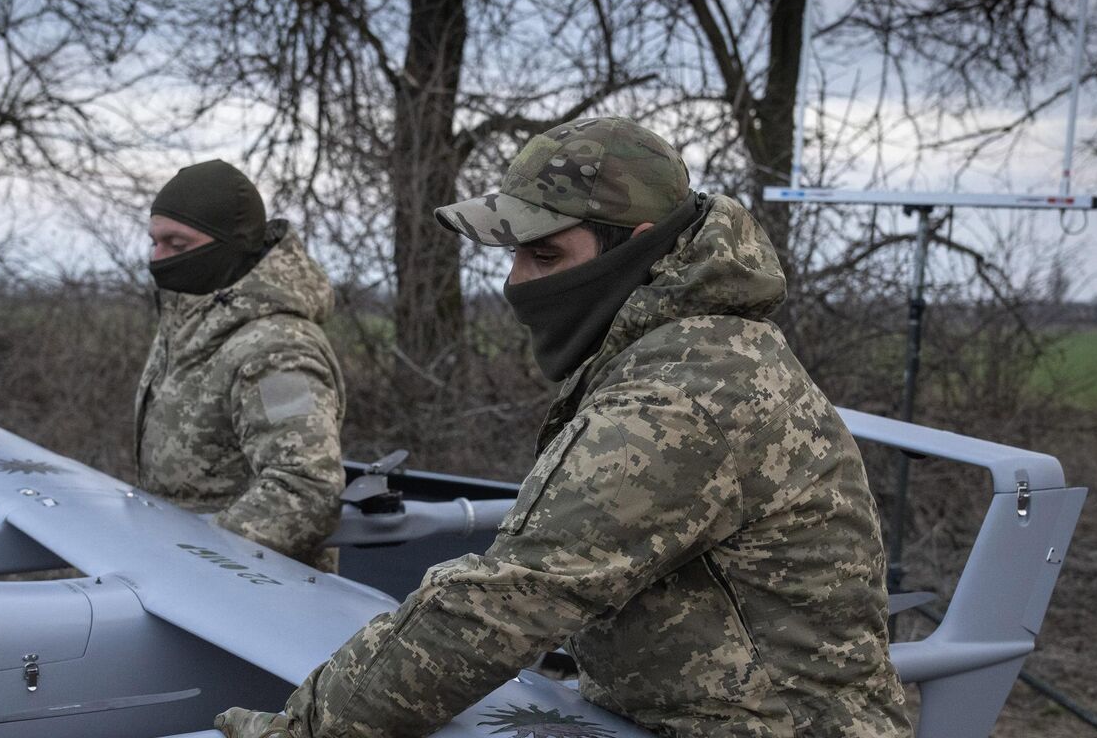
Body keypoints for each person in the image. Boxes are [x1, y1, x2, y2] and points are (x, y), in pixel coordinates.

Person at [214, 118, 909, 737]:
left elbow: (505, 600)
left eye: (544, 256)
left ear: (634, 248)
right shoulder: (675, 349)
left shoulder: (685, 394)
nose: (518, 281)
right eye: (515, 253)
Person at [136, 159, 347, 571]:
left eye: (177, 246)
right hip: (181, 584)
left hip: (252, 595)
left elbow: (305, 488)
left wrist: (193, 563)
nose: (159, 260)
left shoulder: (275, 347)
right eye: (154, 242)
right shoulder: (187, 325)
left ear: (230, 245)